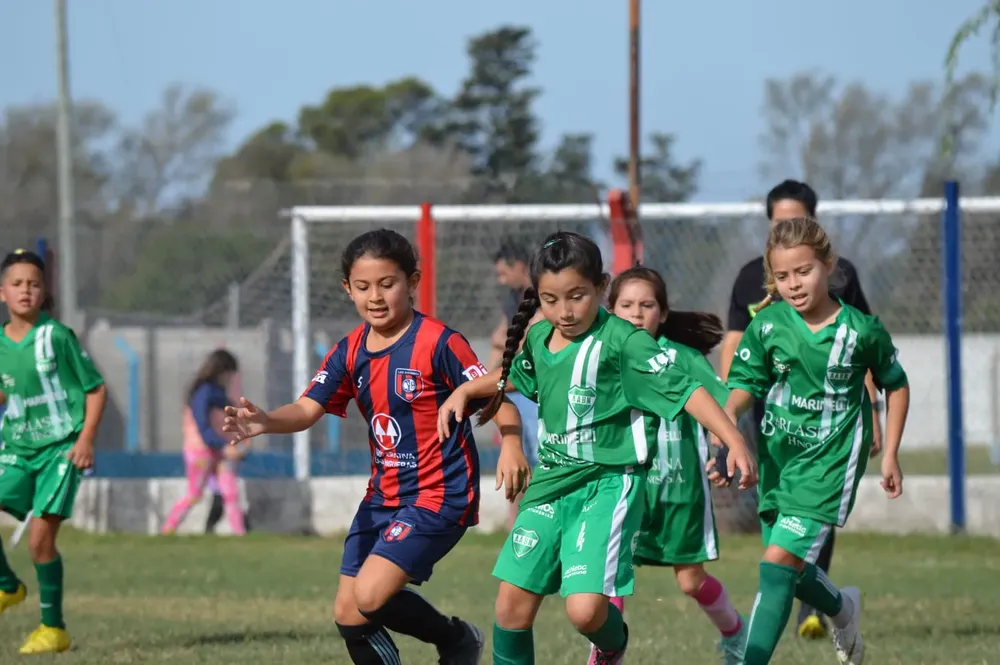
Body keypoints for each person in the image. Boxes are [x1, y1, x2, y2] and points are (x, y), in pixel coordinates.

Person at [436, 231, 758, 665]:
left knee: (585, 612)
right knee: (510, 606)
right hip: (551, 483)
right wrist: (466, 390)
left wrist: (734, 439)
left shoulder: (625, 341)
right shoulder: (540, 337)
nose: (565, 311)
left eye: (577, 296)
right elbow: (513, 377)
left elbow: (686, 390)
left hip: (608, 484)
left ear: (601, 287)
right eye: (551, 300)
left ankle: (612, 644)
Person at [223, 228, 530, 665]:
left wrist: (512, 443)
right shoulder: (349, 351)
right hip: (383, 497)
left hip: (439, 495)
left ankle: (456, 639)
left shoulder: (439, 343)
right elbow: (308, 408)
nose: (376, 297)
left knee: (369, 595)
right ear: (347, 289)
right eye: (363, 286)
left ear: (412, 281)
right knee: (350, 613)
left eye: (387, 284)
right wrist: (267, 421)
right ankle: (456, 642)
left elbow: (496, 396)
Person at [715, 216, 910, 665]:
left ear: (828, 265)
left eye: (804, 271)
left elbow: (896, 384)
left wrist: (891, 454)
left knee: (775, 565)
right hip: (780, 461)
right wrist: (727, 422)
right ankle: (843, 608)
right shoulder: (768, 325)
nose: (794, 284)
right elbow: (744, 383)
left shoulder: (861, 330)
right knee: (791, 570)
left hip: (829, 465)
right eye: (783, 276)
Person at [607, 266, 747, 665]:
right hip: (622, 489)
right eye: (626, 305)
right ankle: (607, 652)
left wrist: (723, 451)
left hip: (678, 490)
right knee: (610, 574)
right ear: (610, 310)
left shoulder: (682, 358)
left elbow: (720, 407)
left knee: (691, 581)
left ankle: (736, 632)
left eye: (646, 305)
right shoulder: (602, 356)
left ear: (663, 313)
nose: (636, 313)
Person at [0, 249, 108, 654]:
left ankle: (53, 629)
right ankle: (7, 585)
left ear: (44, 292)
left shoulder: (56, 336)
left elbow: (95, 388)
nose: (25, 290)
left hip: (60, 451)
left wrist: (86, 439)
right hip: (17, 448)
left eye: (34, 284)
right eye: (17, 284)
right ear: (2, 293)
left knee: (39, 542)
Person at [162, 349, 248, 536]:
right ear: (221, 371)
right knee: (194, 494)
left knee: (231, 492)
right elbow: (203, 428)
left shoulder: (217, 393)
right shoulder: (203, 393)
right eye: (229, 374)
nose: (231, 379)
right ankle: (168, 529)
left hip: (220, 452)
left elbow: (228, 411)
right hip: (201, 452)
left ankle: (240, 533)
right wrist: (225, 446)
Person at [491, 241, 543, 531]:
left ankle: (541, 524)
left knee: (541, 458)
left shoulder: (544, 296)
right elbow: (500, 337)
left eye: (503, 273)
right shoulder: (512, 299)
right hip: (515, 389)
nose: (501, 281)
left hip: (537, 390)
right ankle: (515, 527)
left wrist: (507, 341)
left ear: (519, 266)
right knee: (516, 458)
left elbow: (532, 341)